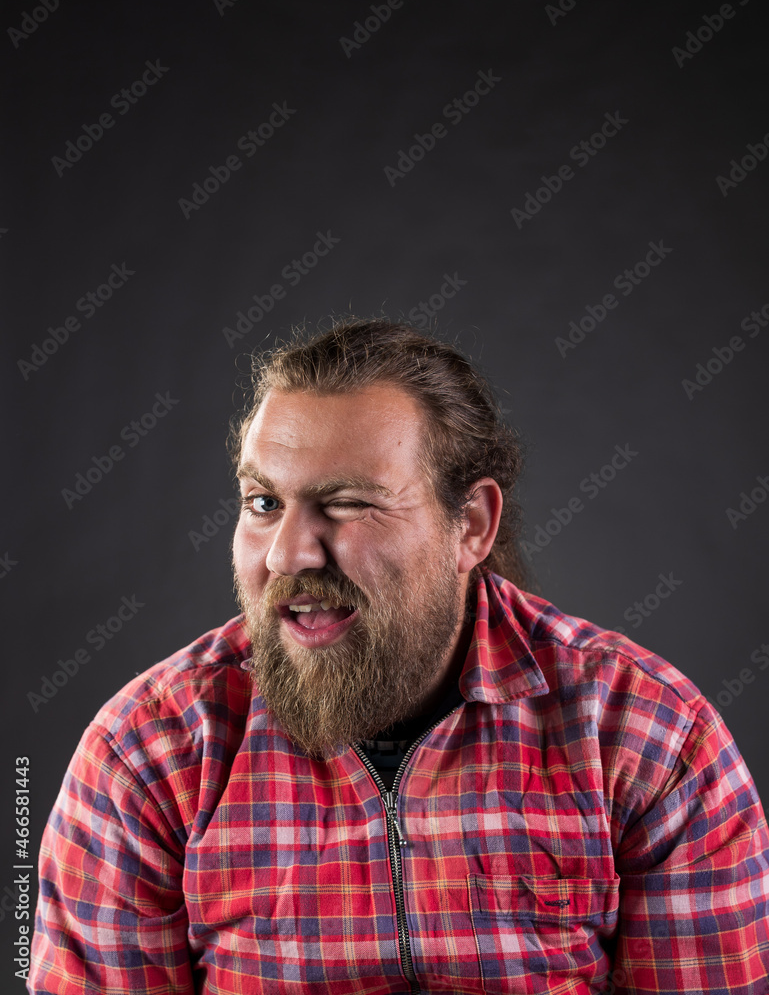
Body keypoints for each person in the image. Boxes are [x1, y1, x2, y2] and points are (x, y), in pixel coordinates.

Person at [29, 318, 769, 995]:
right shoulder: (147, 754)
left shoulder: (646, 734)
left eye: (347, 504)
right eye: (262, 503)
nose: (288, 552)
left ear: (471, 526)